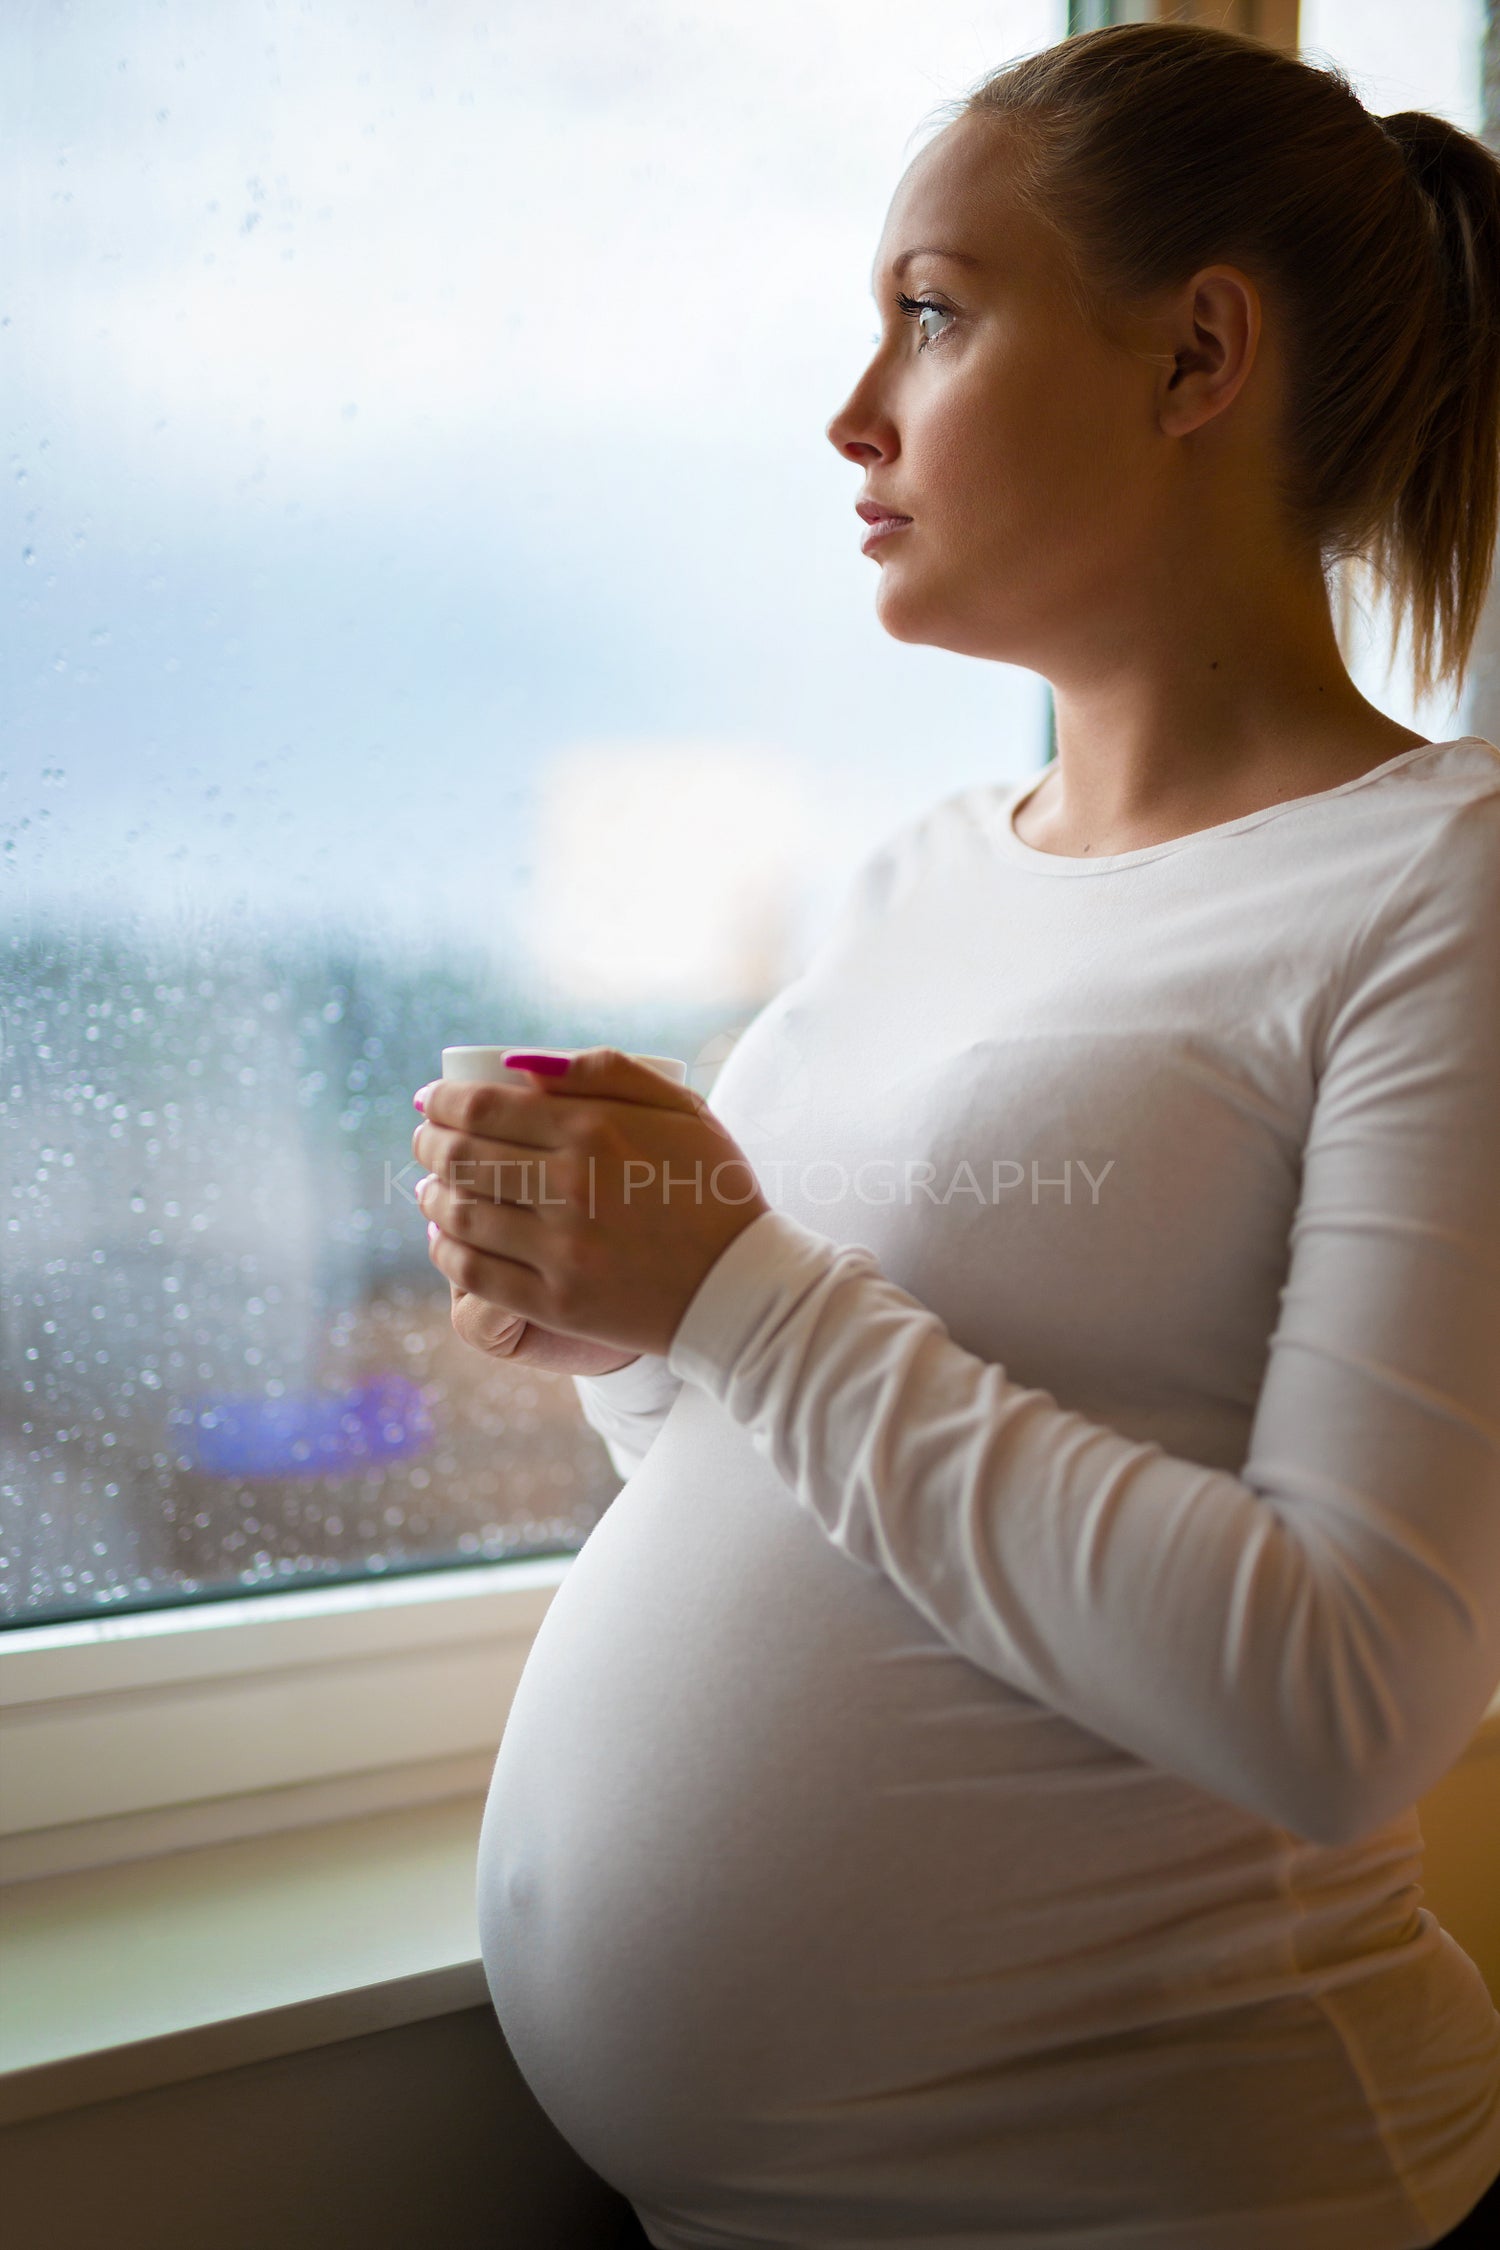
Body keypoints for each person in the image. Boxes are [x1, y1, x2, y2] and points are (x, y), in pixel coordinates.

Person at [412, 20, 1500, 2247]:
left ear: (1199, 354)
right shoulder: (923, 877)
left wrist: (737, 1293)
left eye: (932, 309)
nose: (853, 409)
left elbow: (1345, 1699)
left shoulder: (1448, 891)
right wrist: (630, 1319)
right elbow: (798, 1465)